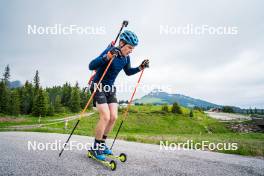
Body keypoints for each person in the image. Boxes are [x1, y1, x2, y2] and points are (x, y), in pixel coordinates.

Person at [88, 30, 149, 160]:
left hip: (110, 88)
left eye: (133, 48)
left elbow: (128, 72)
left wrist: (140, 67)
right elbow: (91, 65)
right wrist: (108, 56)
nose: (131, 50)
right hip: (98, 85)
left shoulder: (126, 58)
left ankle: (102, 144)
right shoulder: (110, 50)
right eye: (129, 47)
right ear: (121, 43)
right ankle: (95, 147)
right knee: (105, 116)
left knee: (114, 117)